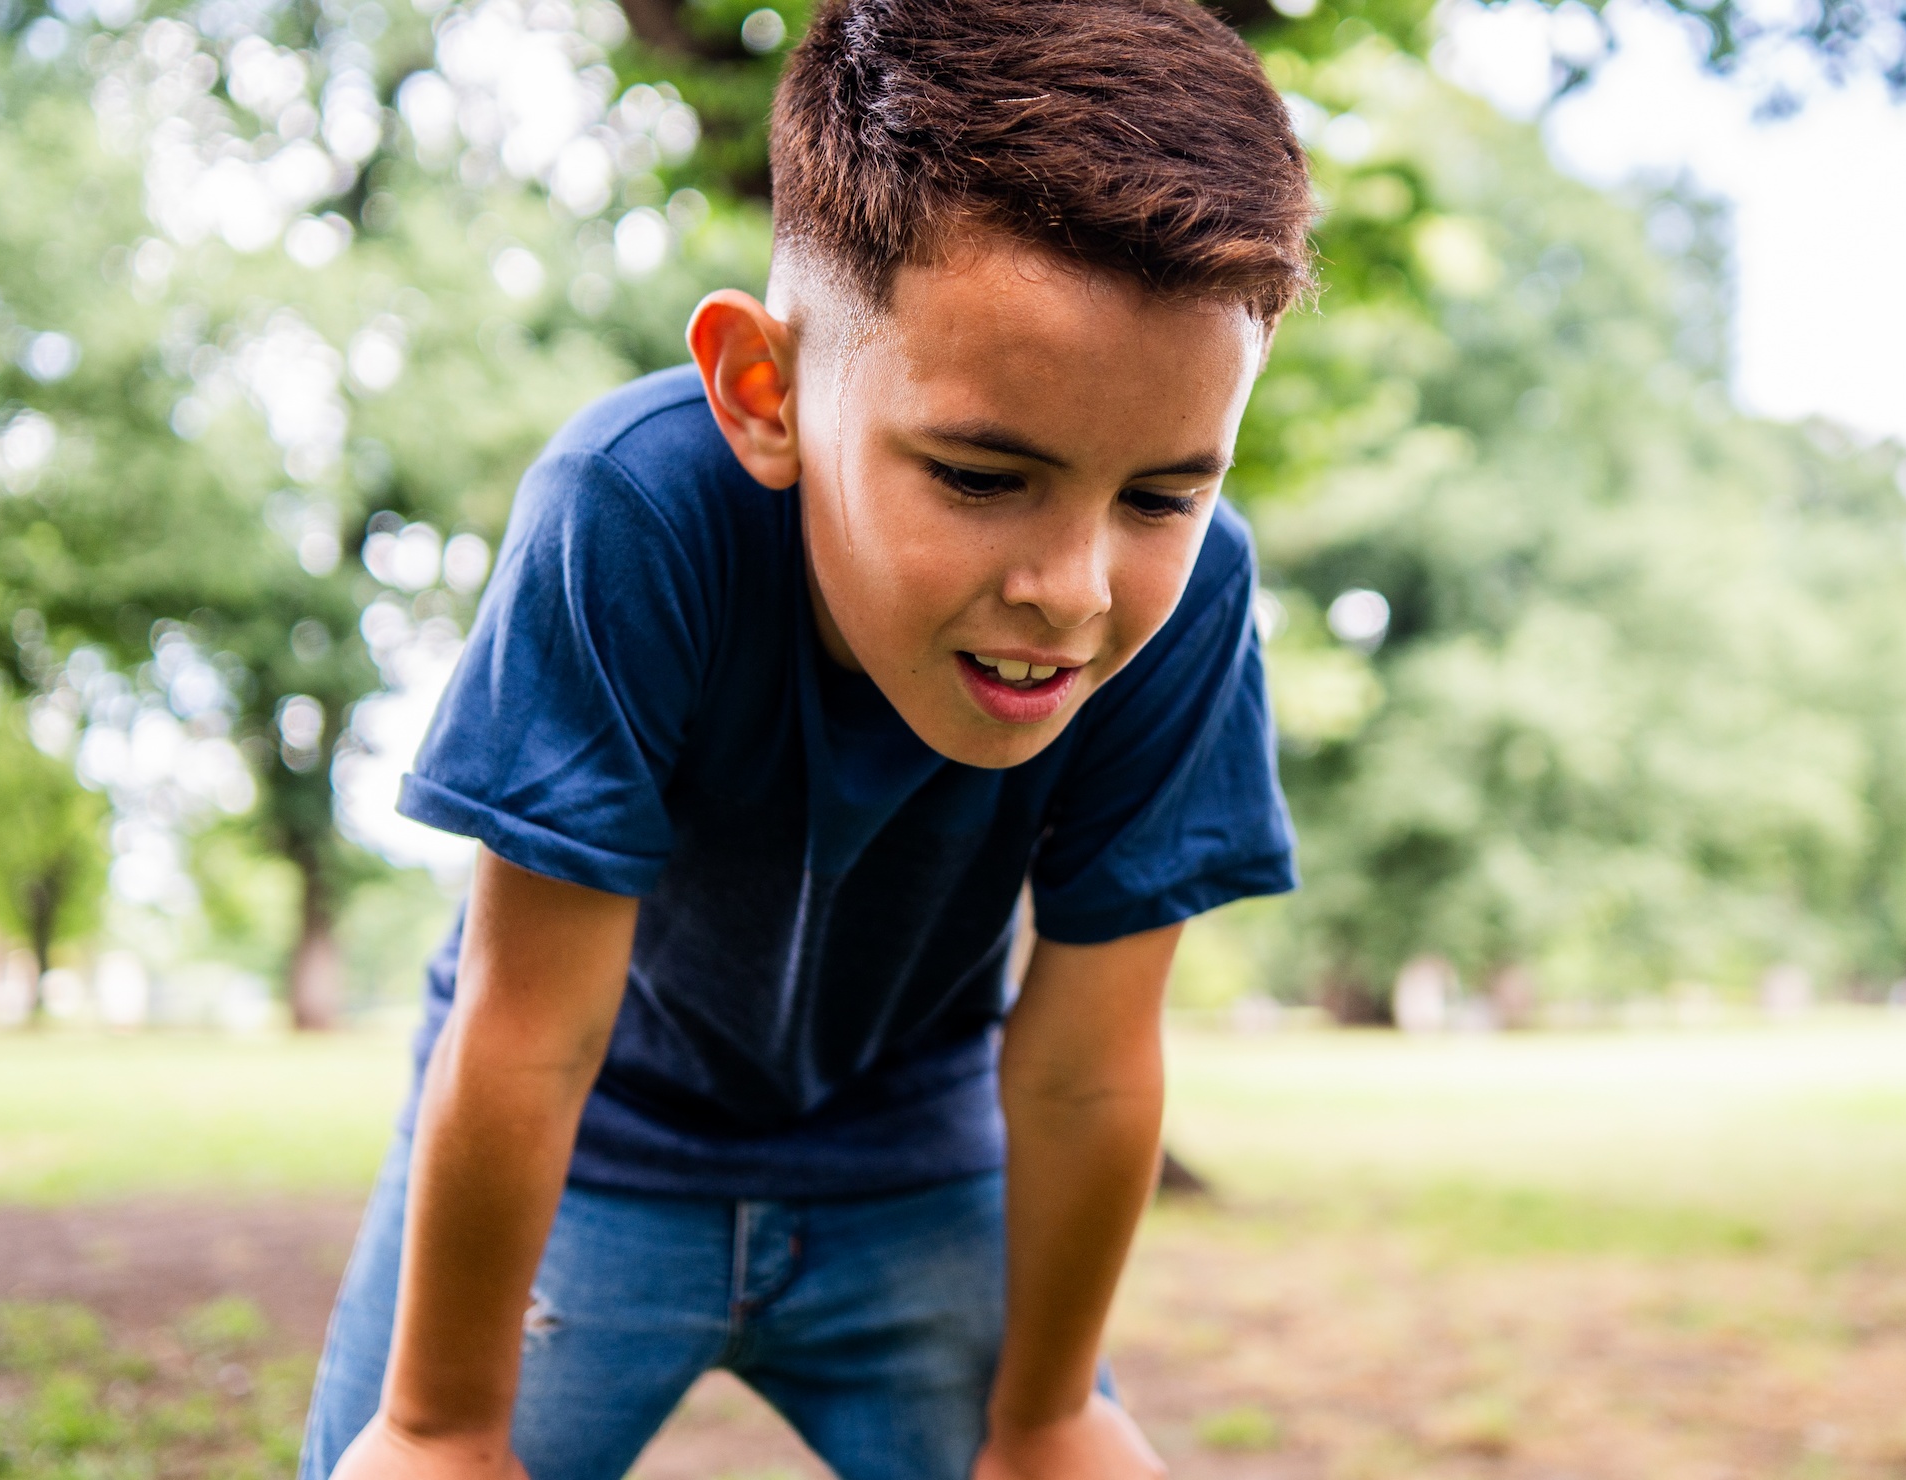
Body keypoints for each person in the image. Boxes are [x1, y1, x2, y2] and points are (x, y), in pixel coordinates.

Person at [299, 2, 1314, 1476]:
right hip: (593, 1147)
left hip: (911, 1160)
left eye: (1163, 496)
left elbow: (1088, 1066)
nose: (1074, 590)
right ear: (764, 392)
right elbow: (529, 1033)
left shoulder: (1194, 603)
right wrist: (443, 1429)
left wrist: (1044, 1415)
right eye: (982, 476)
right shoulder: (630, 511)